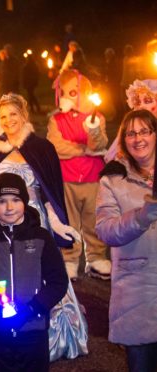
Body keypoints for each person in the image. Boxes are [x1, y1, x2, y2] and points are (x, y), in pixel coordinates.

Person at [0, 93, 88, 361]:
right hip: (3, 222)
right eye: (3, 116)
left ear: (24, 115)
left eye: (13, 114)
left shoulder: (42, 148)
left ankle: (45, 334)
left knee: (44, 276)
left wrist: (58, 224)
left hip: (36, 223)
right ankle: (5, 325)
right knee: (5, 277)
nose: (8, 120)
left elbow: (47, 193)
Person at [0, 172, 68, 372]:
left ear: (25, 202)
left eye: (16, 200)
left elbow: (58, 282)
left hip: (33, 330)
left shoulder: (41, 238)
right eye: (2, 201)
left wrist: (33, 308)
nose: (9, 207)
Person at [96, 109, 157, 372]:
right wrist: (143, 216)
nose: (138, 138)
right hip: (137, 292)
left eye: (145, 131)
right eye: (131, 133)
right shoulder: (113, 178)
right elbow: (106, 230)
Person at [47, 70, 110, 280]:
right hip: (66, 178)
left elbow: (99, 144)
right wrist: (83, 149)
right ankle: (69, 259)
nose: (66, 97)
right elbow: (56, 146)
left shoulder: (96, 118)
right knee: (69, 221)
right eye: (63, 92)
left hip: (93, 177)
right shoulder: (56, 119)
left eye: (72, 92)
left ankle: (96, 257)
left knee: (93, 219)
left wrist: (92, 136)